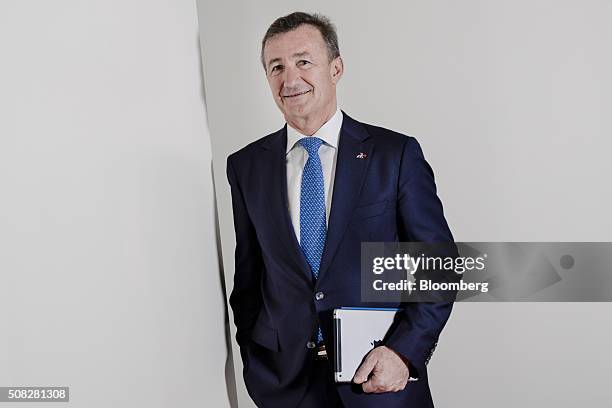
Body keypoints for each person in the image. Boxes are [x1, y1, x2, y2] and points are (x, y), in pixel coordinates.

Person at [226, 11, 455, 408]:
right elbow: (249, 276)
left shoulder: (394, 155)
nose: (290, 79)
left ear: (336, 68)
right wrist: (256, 363)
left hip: (380, 383)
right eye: (276, 67)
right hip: (286, 389)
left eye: (303, 61)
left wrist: (403, 352)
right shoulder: (246, 167)